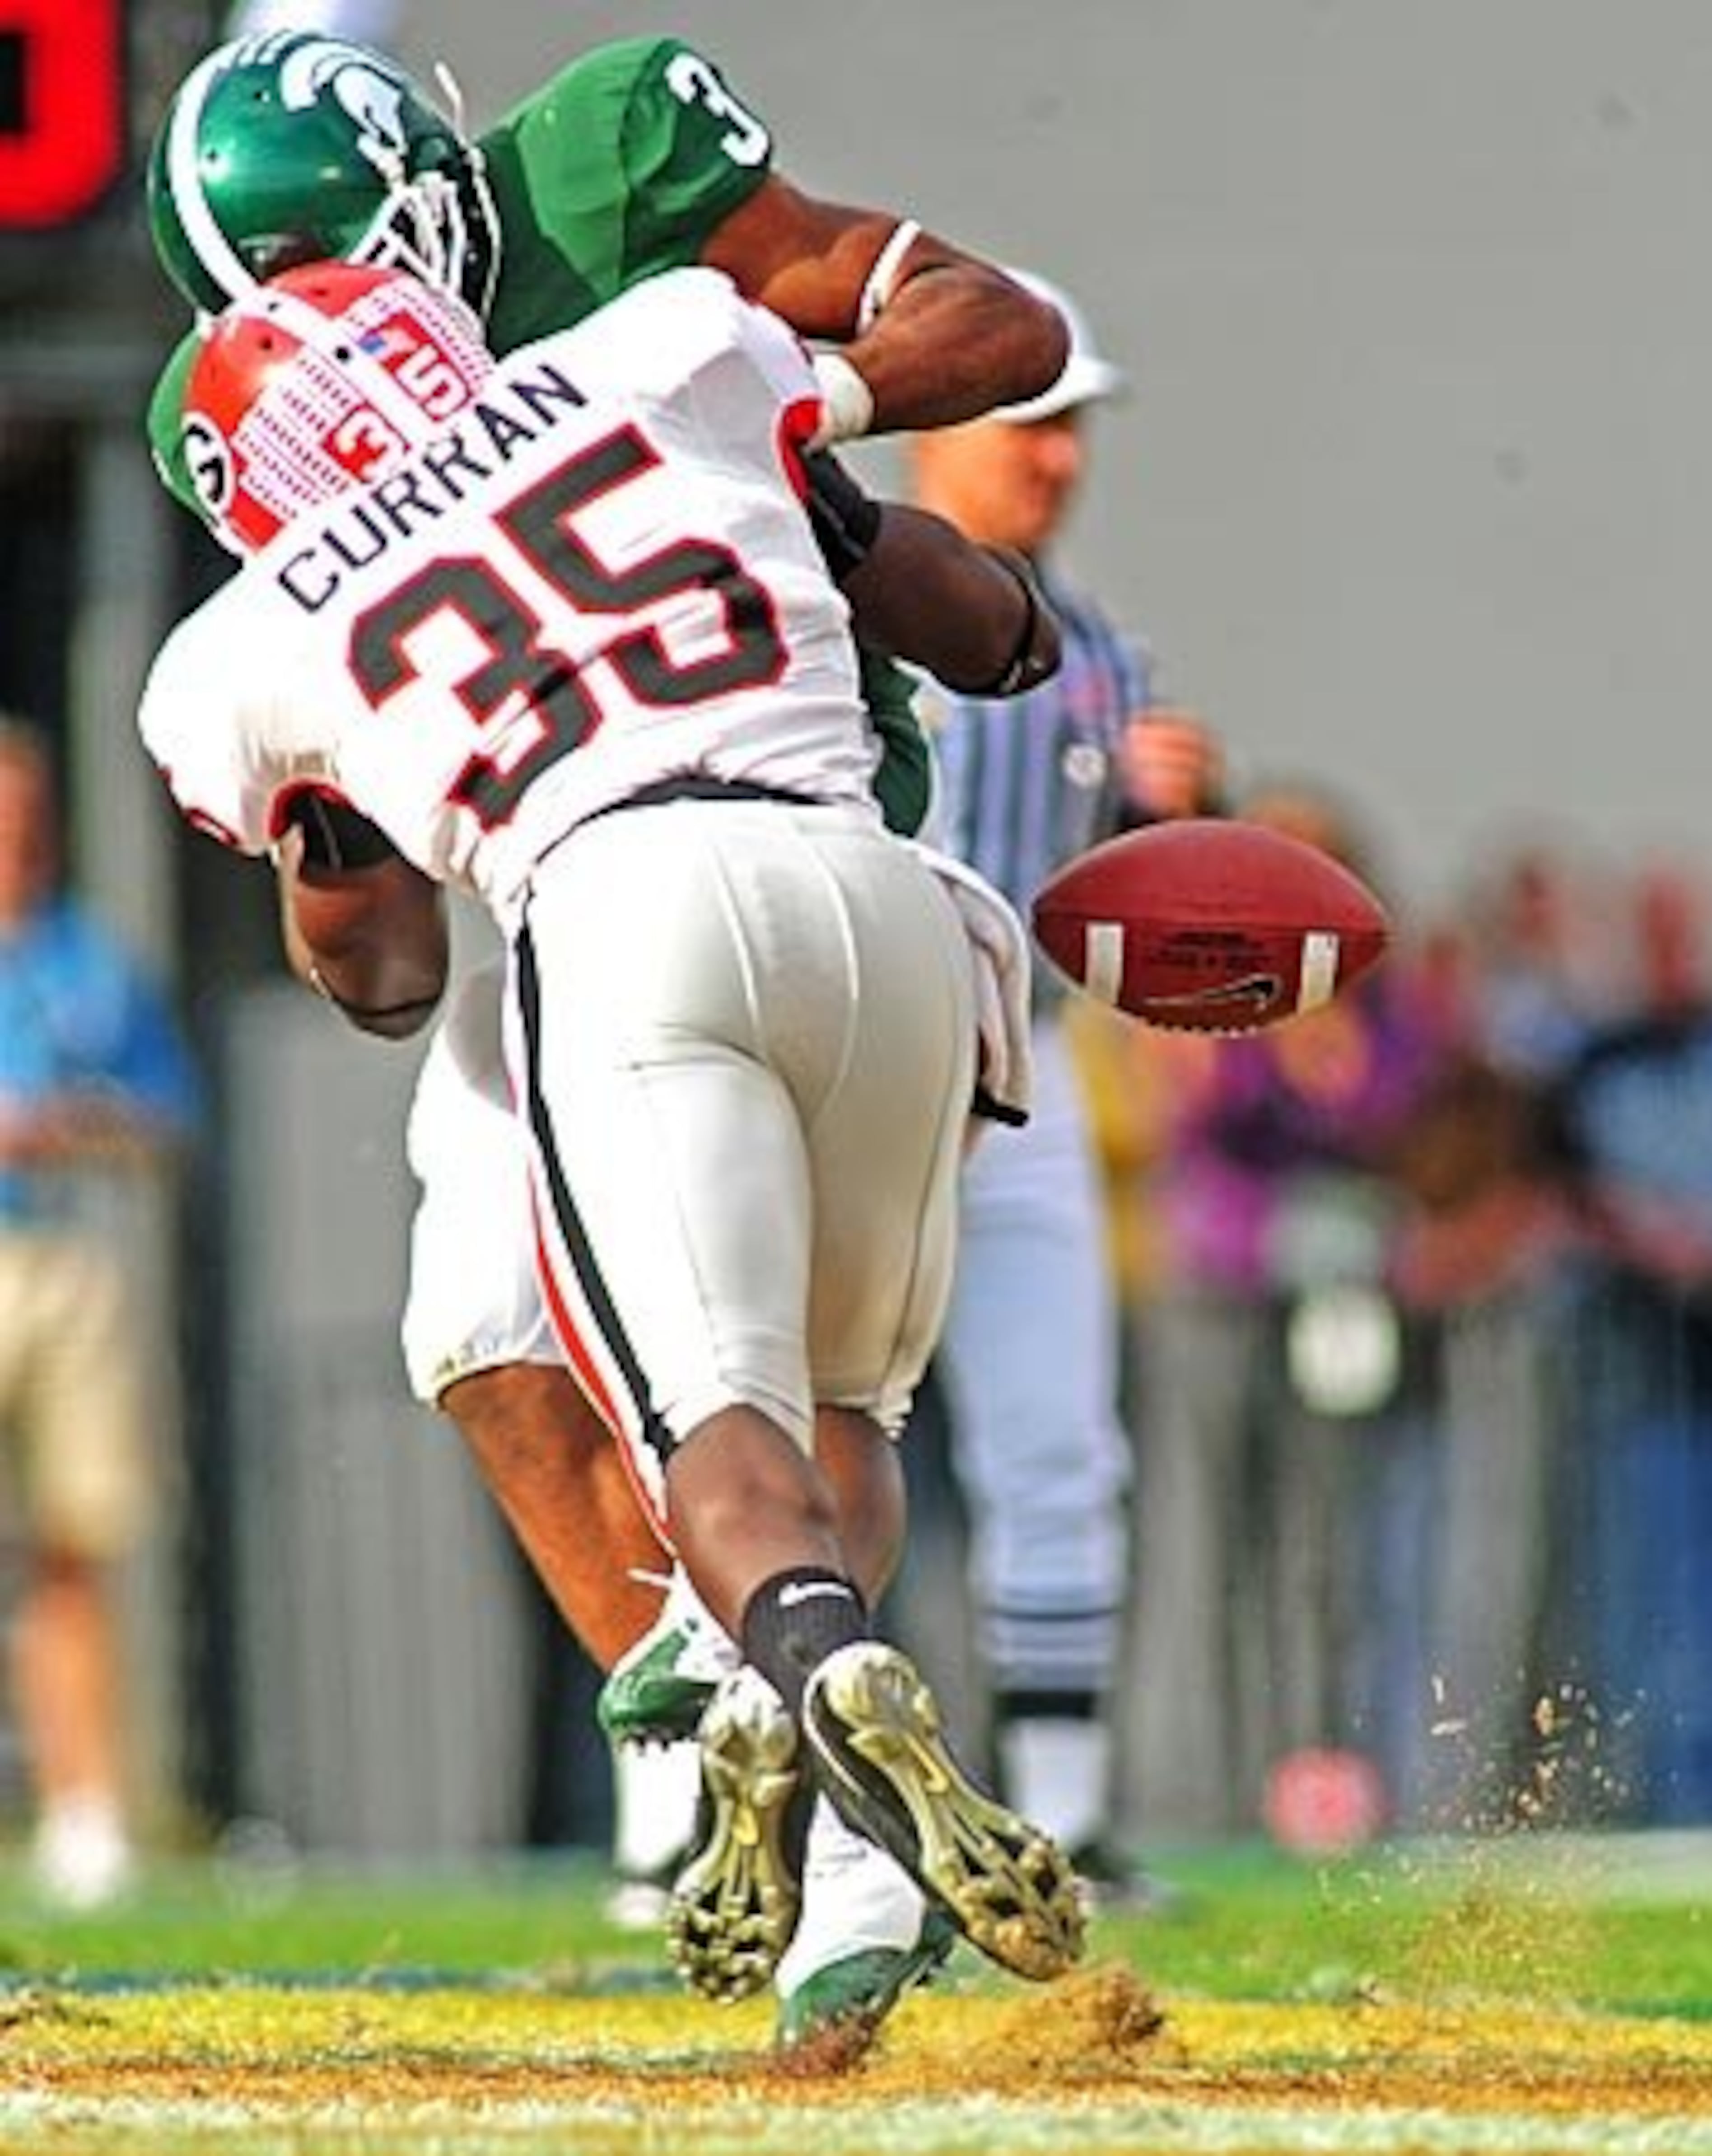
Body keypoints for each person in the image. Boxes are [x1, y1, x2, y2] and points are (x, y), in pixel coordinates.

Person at [142, 24, 1068, 2042]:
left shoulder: (628, 270)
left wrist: (804, 422)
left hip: (624, 890)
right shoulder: (667, 354)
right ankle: (775, 1770)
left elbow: (371, 977)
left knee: (696, 1401)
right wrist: (768, 439)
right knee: (566, 1345)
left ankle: (772, 1689)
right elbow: (1013, 636)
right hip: (801, 877)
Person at [905, 273, 1181, 1892]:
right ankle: (705, 1815)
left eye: (1072, 426)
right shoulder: (835, 584)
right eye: (1030, 421)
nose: (1059, 459)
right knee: (786, 1428)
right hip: (862, 1053)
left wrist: (1174, 830)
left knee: (1059, 1442)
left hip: (1032, 1056)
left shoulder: (1105, 659)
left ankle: (1064, 1814)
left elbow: (1127, 911)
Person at [0, 719, 200, 1905]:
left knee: (76, 1541)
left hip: (67, 1258)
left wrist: (74, 1124)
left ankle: (88, 1816)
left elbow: (167, 1120)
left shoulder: (90, 961)